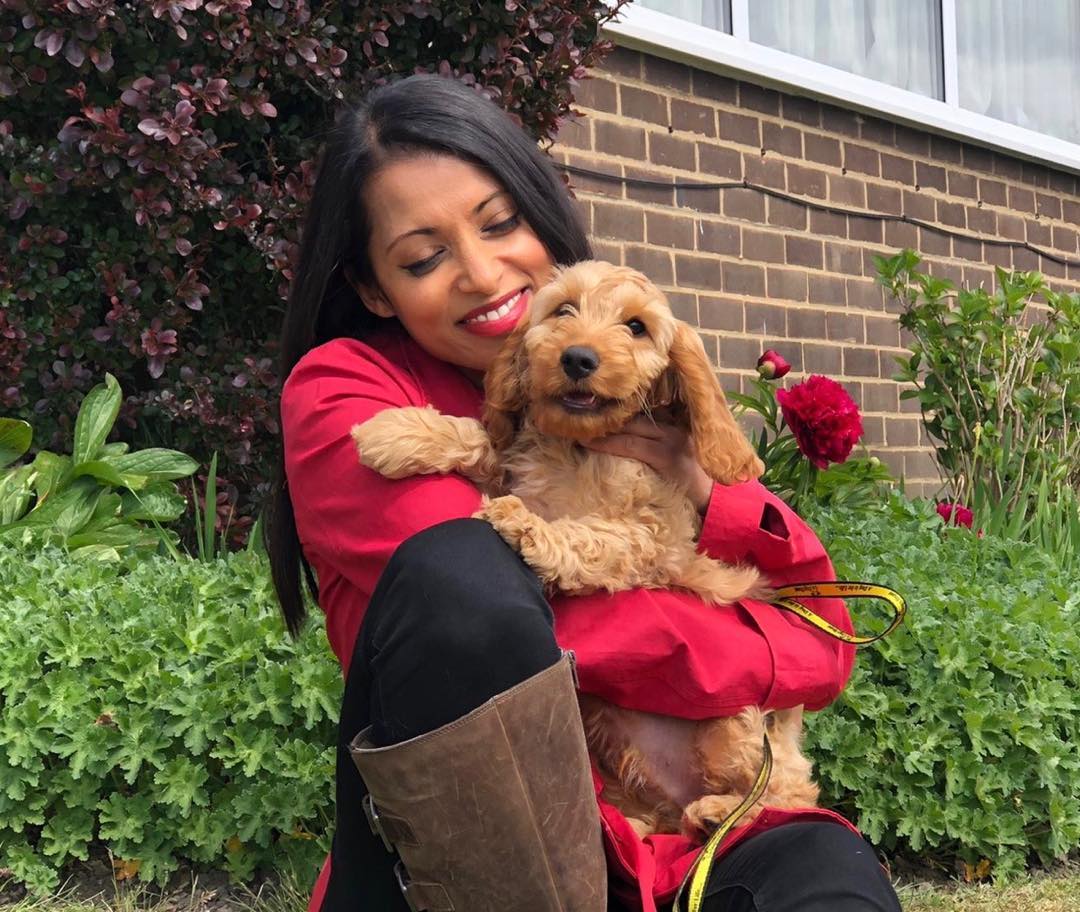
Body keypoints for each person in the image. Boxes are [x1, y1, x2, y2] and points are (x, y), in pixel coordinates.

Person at [265, 72, 902, 912]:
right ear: (376, 288)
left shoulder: (662, 419)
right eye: (424, 257)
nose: (483, 273)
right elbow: (487, 619)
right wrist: (761, 657)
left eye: (501, 225)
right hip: (479, 850)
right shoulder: (346, 392)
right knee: (462, 565)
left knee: (831, 894)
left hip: (696, 826)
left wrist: (701, 489)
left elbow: (829, 628)